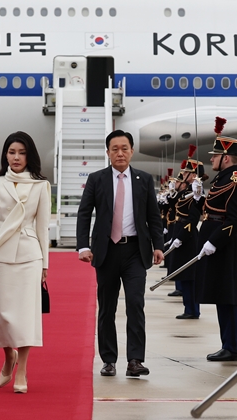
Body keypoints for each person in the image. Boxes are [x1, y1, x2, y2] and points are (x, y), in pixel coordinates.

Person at [76, 130, 165, 378]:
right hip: (106, 252)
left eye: (124, 148)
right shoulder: (97, 179)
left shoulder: (144, 180)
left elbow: (153, 216)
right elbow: (84, 213)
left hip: (135, 251)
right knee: (107, 307)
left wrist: (159, 245)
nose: (120, 153)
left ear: (132, 151)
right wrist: (83, 246)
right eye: (114, 149)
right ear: (107, 153)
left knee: (136, 304)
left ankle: (135, 360)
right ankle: (109, 360)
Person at [0, 132, 51, 394]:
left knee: (27, 316)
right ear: (5, 155)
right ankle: (9, 355)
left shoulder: (40, 185)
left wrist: (45, 266)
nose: (16, 157)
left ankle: (22, 369)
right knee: (3, 315)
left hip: (30, 255)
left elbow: (43, 227)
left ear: (29, 155)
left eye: (21, 152)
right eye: (11, 152)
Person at [194, 117, 237, 362]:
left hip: (225, 247)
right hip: (218, 247)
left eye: (215, 156)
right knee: (220, 297)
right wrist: (197, 197)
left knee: (227, 298)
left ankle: (232, 347)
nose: (211, 159)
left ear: (226, 158)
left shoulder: (235, 181)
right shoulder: (221, 179)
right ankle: (227, 344)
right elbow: (211, 210)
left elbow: (235, 219)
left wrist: (214, 241)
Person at [166, 146, 204, 320]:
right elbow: (173, 205)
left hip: (188, 236)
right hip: (181, 232)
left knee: (189, 276)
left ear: (194, 175)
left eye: (187, 173)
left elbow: (193, 217)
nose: (184, 175)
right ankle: (189, 308)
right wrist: (173, 191)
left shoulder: (195, 193)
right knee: (184, 274)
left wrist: (181, 237)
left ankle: (192, 309)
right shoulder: (186, 193)